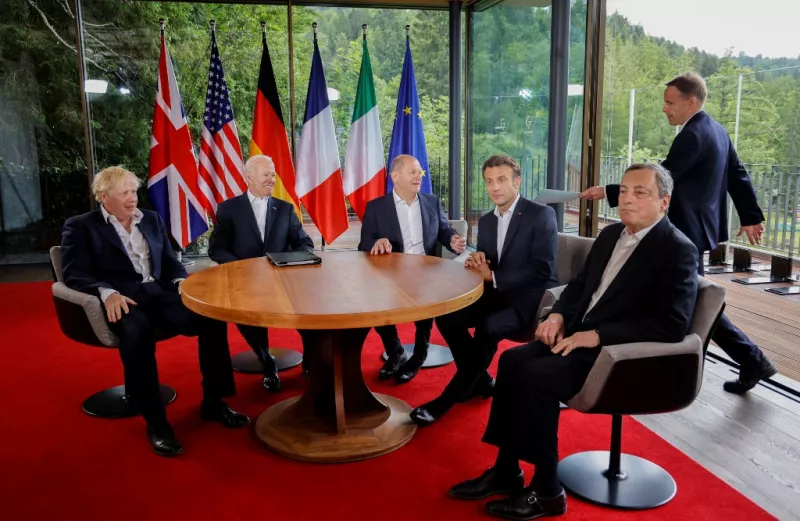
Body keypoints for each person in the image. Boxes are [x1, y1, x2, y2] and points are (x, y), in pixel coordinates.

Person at [450, 164, 698, 520]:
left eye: (640, 193)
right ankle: (507, 470)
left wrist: (595, 336)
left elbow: (672, 325)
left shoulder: (677, 250)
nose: (627, 199)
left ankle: (548, 492)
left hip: (616, 355)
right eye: (624, 190)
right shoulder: (612, 235)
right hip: (574, 336)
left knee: (537, 377)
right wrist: (558, 316)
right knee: (511, 362)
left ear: (664, 202)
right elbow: (579, 286)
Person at [581, 72, 776, 394]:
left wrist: (612, 190)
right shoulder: (717, 130)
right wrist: (751, 216)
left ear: (692, 102)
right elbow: (737, 176)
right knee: (693, 301)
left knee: (698, 304)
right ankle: (740, 360)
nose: (664, 109)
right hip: (699, 228)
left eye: (670, 103)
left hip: (684, 231)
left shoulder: (693, 135)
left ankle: (745, 360)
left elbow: (663, 178)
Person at [61, 166, 249, 457]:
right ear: (103, 197)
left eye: (133, 191)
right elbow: (73, 273)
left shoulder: (151, 218)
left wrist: (181, 282)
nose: (132, 198)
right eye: (123, 192)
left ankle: (214, 402)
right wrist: (106, 292)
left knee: (212, 317)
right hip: (123, 299)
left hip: (161, 294)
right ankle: (157, 423)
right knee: (137, 334)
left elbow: (170, 262)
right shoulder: (81, 226)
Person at [410, 154, 558, 426]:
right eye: (489, 181)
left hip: (529, 300)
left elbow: (542, 269)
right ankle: (481, 379)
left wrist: (493, 275)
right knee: (446, 314)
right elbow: (487, 259)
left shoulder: (541, 214)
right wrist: (477, 260)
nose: (495, 187)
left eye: (501, 180)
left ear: (517, 181)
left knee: (488, 328)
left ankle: (446, 400)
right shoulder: (487, 221)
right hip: (494, 294)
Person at [208, 154, 315, 392]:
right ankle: (267, 363)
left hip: (284, 281)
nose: (272, 178)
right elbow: (217, 249)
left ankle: (310, 364)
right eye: (266, 174)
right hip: (245, 283)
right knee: (249, 320)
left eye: (273, 174)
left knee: (311, 316)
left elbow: (304, 243)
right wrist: (241, 269)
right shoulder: (228, 209)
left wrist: (295, 261)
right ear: (249, 177)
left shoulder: (286, 209)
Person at [358, 154, 467, 383]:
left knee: (425, 311)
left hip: (425, 270)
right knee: (377, 307)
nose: (419, 176)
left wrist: (453, 240)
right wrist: (376, 243)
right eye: (413, 172)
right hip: (389, 272)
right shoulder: (376, 207)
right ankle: (396, 351)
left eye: (420, 172)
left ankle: (418, 356)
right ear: (395, 177)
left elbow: (444, 231)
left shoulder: (432, 202)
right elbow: (364, 244)